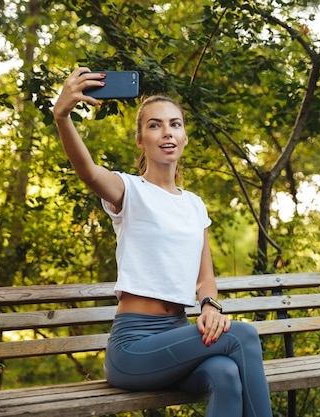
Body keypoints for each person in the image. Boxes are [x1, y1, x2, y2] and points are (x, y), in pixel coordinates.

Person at [53, 67, 273, 417]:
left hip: (178, 335)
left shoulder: (194, 204)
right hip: (134, 347)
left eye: (175, 124)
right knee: (243, 336)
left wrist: (211, 306)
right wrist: (62, 116)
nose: (166, 132)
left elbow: (205, 279)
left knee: (226, 373)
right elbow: (89, 172)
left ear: (184, 136)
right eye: (154, 125)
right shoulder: (129, 190)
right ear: (140, 139)